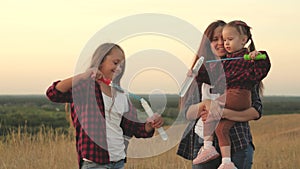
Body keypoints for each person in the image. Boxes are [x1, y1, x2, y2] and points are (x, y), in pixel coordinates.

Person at [46, 43, 164, 169]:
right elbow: (53, 94)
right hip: (94, 163)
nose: (119, 68)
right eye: (115, 62)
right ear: (101, 60)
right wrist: (83, 75)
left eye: (122, 66)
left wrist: (149, 125)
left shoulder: (121, 94)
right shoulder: (86, 87)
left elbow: (132, 127)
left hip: (118, 161)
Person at [177, 20, 267, 169]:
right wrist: (206, 105)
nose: (222, 43)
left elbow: (256, 111)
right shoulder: (201, 72)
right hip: (202, 143)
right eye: (215, 39)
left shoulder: (244, 69)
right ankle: (208, 147)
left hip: (238, 143)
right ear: (207, 44)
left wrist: (223, 113)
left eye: (226, 39)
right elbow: (188, 113)